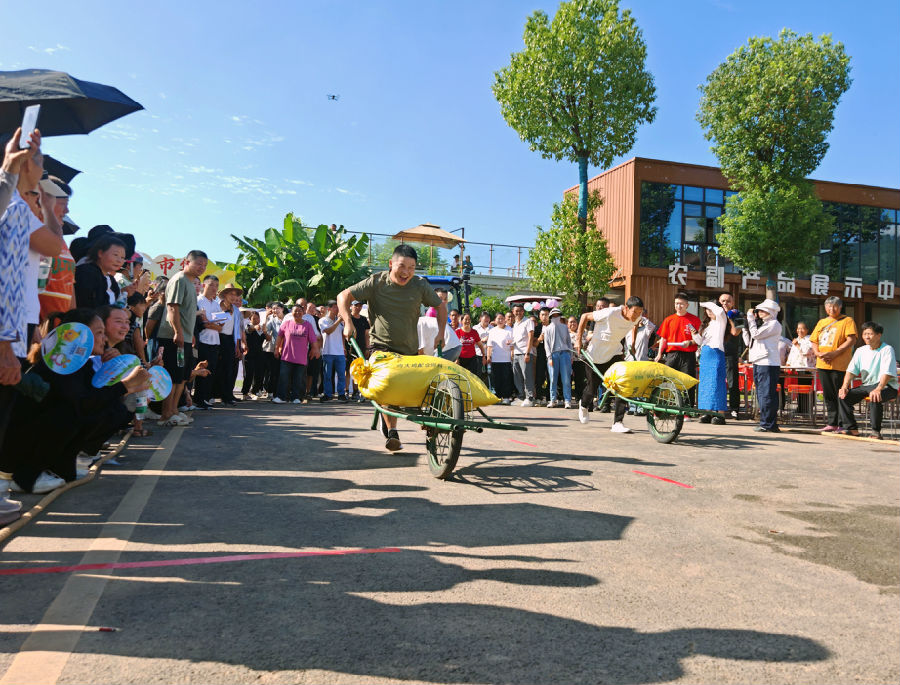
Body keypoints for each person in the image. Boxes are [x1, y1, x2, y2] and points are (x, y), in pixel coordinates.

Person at [338, 244, 444, 451]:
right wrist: (348, 321)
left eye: (411, 268)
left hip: (410, 349)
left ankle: (429, 422)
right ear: (391, 264)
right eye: (402, 266)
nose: (406, 272)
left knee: (425, 384)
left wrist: (440, 332)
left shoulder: (420, 285)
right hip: (382, 347)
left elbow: (440, 305)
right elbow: (344, 296)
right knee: (389, 382)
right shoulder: (376, 282)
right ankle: (393, 432)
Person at [575, 296, 645, 433]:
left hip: (615, 354)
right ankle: (583, 405)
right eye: (635, 312)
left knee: (623, 385)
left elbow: (634, 325)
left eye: (640, 312)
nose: (637, 315)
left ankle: (618, 422)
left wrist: (632, 343)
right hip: (595, 355)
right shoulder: (610, 313)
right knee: (592, 389)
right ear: (626, 309)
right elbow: (584, 316)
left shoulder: (636, 318)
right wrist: (578, 340)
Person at [156, 250, 208, 426]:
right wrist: (178, 332)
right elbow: (172, 309)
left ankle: (174, 410)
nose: (202, 267)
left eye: (204, 265)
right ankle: (165, 414)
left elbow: (187, 314)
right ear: (187, 261)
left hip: (184, 336)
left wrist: (189, 333)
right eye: (199, 263)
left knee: (182, 376)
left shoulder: (190, 283)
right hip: (172, 336)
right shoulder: (178, 280)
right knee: (171, 375)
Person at [838, 322, 898, 440]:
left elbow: (887, 373)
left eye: (870, 334)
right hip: (867, 385)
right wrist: (844, 386)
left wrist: (878, 388)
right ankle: (851, 428)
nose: (866, 336)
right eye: (865, 334)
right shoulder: (860, 351)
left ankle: (876, 432)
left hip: (887, 386)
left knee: (875, 396)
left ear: (879, 335)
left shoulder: (887, 349)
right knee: (843, 396)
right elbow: (851, 371)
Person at [810, 296, 859, 433]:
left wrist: (835, 353)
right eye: (829, 306)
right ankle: (832, 422)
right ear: (825, 308)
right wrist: (818, 353)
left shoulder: (847, 321)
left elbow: (851, 339)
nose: (832, 309)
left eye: (835, 306)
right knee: (828, 395)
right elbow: (814, 340)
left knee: (842, 394)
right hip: (823, 364)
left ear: (840, 307)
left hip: (840, 364)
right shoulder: (821, 322)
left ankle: (844, 423)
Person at [654, 293, 703, 407]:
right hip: (672, 354)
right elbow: (663, 338)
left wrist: (690, 342)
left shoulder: (694, 320)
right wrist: (660, 354)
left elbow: (699, 339)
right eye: (676, 303)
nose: (678, 306)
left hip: (688, 355)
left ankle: (687, 410)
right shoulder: (668, 320)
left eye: (681, 304)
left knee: (687, 382)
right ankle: (663, 407)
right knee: (667, 380)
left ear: (687, 305)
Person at [742, 299, 783, 433]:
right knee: (761, 394)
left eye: (762, 311)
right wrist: (744, 327)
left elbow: (756, 335)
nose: (759, 313)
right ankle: (766, 422)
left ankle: (768, 423)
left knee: (767, 394)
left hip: (768, 363)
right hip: (759, 362)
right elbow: (749, 342)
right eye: (759, 310)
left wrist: (750, 319)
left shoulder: (774, 324)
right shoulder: (763, 325)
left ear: (770, 312)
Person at [689, 302, 728, 425]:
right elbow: (701, 342)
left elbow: (721, 312)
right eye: (707, 309)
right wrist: (694, 334)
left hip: (716, 353)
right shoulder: (707, 325)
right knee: (705, 385)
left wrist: (708, 303)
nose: (709, 311)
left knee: (717, 383)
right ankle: (707, 412)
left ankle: (720, 414)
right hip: (705, 355)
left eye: (711, 309)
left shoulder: (721, 321)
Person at [274, 304, 320, 404]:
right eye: (295, 311)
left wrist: (316, 350)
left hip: (301, 357)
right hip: (286, 356)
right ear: (291, 312)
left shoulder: (307, 325)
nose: (297, 313)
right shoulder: (286, 323)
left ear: (303, 313)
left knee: (299, 379)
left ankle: (297, 397)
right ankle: (281, 397)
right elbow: (279, 337)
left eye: (300, 311)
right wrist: (277, 349)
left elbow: (313, 340)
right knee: (284, 377)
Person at [194, 275, 223, 409]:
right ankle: (199, 399)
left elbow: (220, 327)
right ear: (204, 285)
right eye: (211, 285)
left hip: (215, 342)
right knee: (201, 370)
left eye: (216, 286)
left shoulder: (216, 304)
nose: (214, 288)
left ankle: (205, 398)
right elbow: (202, 324)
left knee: (211, 370)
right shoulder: (198, 301)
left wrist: (209, 322)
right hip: (202, 341)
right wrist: (209, 323)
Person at [214, 283, 245, 406]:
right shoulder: (217, 306)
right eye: (230, 294)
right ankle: (216, 395)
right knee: (218, 368)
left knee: (229, 369)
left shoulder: (236, 310)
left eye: (235, 294)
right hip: (217, 338)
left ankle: (227, 396)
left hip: (230, 340)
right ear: (224, 294)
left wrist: (237, 346)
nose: (233, 297)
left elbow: (236, 329)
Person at [543, 307, 573, 408]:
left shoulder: (564, 327)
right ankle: (553, 399)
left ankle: (567, 400)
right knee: (552, 379)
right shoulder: (547, 329)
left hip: (565, 354)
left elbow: (569, 342)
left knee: (566, 379)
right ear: (551, 317)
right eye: (554, 315)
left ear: (560, 316)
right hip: (553, 354)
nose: (556, 317)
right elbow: (546, 345)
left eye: (557, 315)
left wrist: (571, 355)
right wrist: (549, 357)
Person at [319, 300, 348, 402]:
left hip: (339, 352)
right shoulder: (323, 320)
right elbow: (329, 331)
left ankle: (341, 394)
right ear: (329, 309)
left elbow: (343, 335)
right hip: (328, 352)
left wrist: (344, 347)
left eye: (338, 307)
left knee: (341, 375)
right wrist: (339, 320)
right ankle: (328, 394)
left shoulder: (340, 321)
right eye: (335, 307)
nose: (337, 309)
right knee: (327, 375)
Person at [486, 312, 514, 405]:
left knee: (506, 378)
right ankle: (498, 397)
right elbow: (489, 345)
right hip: (495, 359)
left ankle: (506, 397)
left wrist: (512, 354)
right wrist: (488, 356)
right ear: (495, 320)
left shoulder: (509, 330)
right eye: (498, 318)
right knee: (496, 378)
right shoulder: (492, 331)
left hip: (506, 359)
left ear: (505, 319)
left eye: (502, 318)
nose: (500, 320)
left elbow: (512, 345)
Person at [511, 304, 535, 406]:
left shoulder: (528, 321)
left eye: (520, 311)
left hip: (525, 353)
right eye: (516, 311)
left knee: (527, 376)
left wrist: (528, 353)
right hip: (516, 353)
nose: (518, 313)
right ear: (513, 312)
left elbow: (531, 337)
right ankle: (521, 397)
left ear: (523, 312)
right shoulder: (515, 324)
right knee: (517, 376)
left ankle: (529, 398)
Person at [347, 300, 370, 401]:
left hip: (361, 347)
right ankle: (348, 391)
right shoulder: (348, 319)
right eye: (356, 305)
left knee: (360, 370)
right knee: (349, 370)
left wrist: (367, 347)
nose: (358, 307)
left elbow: (366, 335)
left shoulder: (364, 319)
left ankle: (358, 391)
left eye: (360, 306)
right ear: (351, 306)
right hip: (350, 347)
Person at [241, 311, 265, 400]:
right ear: (250, 319)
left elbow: (268, 338)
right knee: (249, 374)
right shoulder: (248, 326)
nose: (256, 320)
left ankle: (254, 391)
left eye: (257, 318)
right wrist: (255, 327)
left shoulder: (262, 328)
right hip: (249, 354)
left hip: (259, 353)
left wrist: (265, 331)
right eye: (254, 318)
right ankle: (245, 392)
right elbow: (250, 329)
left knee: (259, 373)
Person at [473, 311, 492, 384]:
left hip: (490, 354)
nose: (487, 319)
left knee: (489, 373)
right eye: (485, 317)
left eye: (488, 317)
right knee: (479, 373)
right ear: (480, 318)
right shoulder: (475, 328)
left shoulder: (492, 328)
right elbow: (472, 341)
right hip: (479, 354)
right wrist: (481, 340)